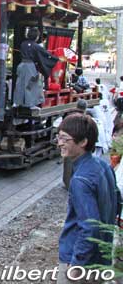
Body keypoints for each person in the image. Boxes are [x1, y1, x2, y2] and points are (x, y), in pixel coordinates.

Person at [56, 114, 118, 283]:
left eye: (64, 139)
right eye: (58, 137)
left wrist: (77, 264)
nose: (59, 143)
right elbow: (116, 202)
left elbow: (89, 227)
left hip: (78, 259)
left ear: (83, 142)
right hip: (101, 254)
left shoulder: (80, 180)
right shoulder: (104, 165)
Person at [14, 27, 60, 108]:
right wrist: (57, 59)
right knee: (31, 85)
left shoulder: (23, 44)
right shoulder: (36, 46)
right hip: (30, 66)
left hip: (21, 65)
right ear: (36, 36)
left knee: (20, 84)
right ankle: (30, 104)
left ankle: (17, 103)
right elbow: (46, 55)